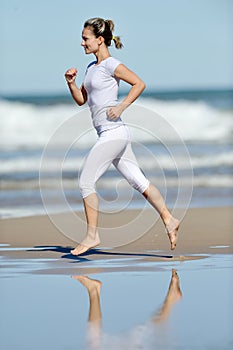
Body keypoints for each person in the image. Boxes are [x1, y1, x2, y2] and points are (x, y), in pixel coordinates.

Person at [64, 17, 180, 256]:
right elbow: (81, 101)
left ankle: (92, 235)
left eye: (85, 39)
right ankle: (169, 219)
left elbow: (139, 84)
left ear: (99, 40)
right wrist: (72, 84)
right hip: (112, 133)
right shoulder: (90, 68)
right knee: (139, 182)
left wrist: (121, 107)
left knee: (86, 181)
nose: (82, 43)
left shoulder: (110, 64)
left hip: (113, 133)